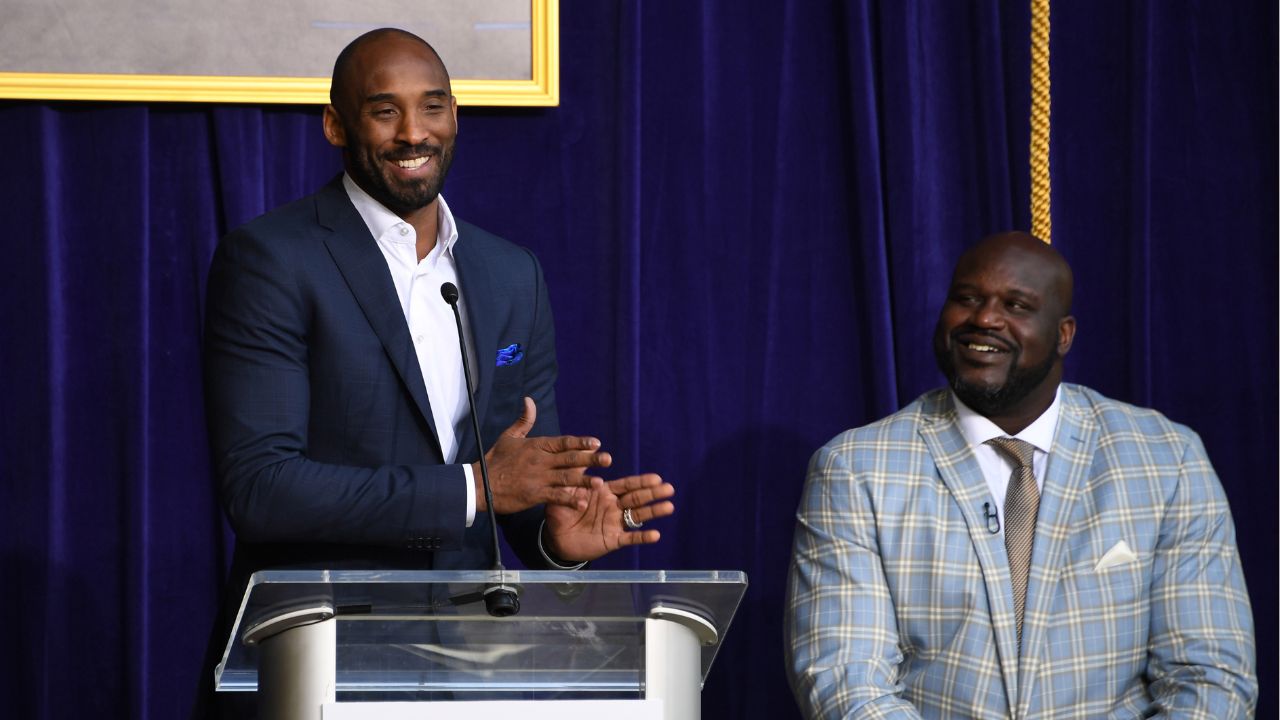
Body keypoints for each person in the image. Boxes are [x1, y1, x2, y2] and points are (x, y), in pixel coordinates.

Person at [194, 28, 673, 716]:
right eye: (384, 111)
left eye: (432, 107)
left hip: (470, 672)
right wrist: (474, 488)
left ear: (456, 117)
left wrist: (554, 540)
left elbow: (517, 480)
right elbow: (262, 489)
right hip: (317, 665)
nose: (413, 133)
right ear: (335, 125)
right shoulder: (271, 260)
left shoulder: (511, 274)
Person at [785, 232, 1256, 718]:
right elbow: (846, 679)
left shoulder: (1166, 458)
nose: (985, 319)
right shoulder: (856, 468)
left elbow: (1210, 676)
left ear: (1063, 335)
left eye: (1016, 305)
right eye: (967, 298)